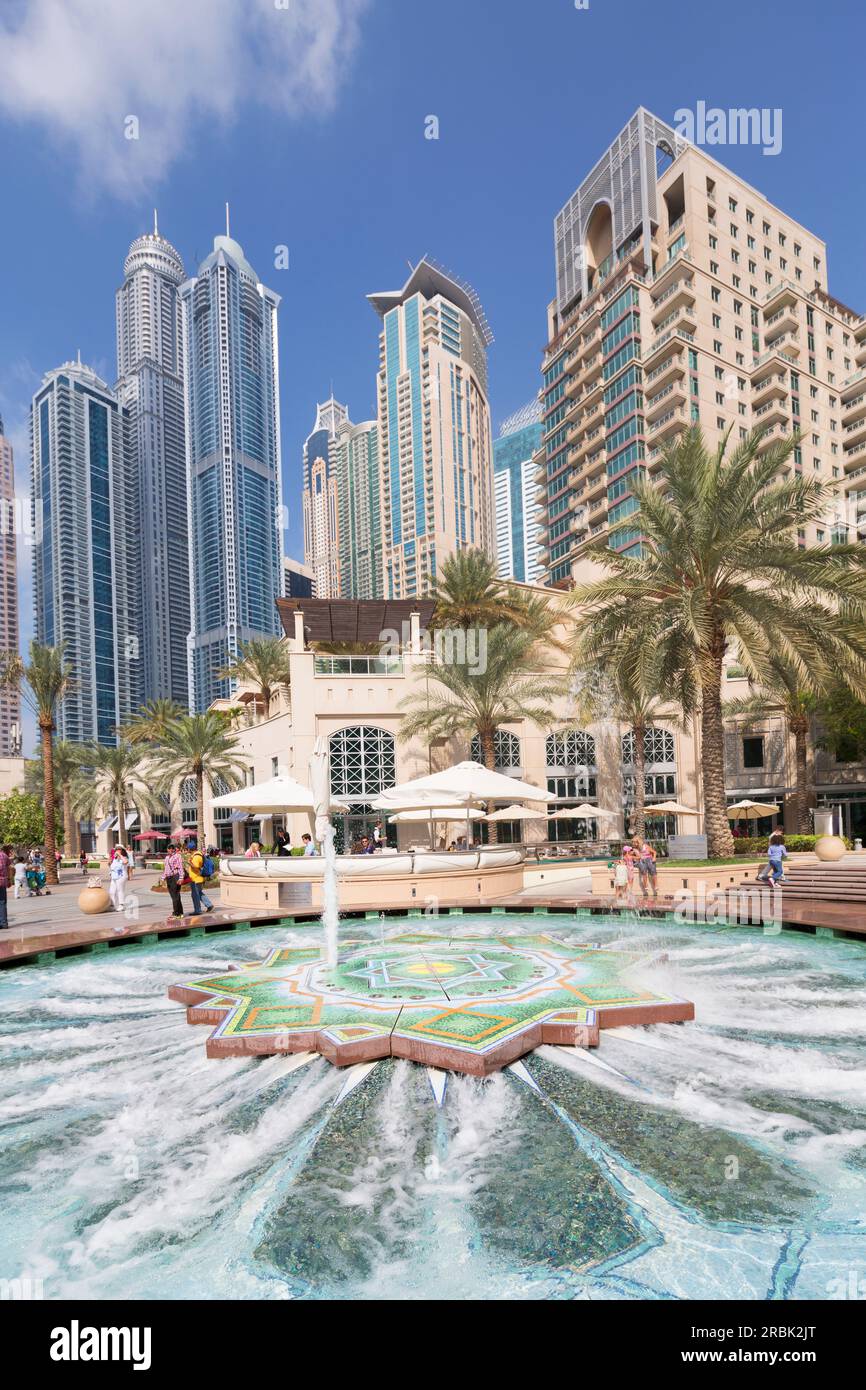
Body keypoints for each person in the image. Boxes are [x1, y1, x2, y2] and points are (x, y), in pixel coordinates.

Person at [188, 841, 216, 916]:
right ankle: (210, 906)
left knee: (195, 894)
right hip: (197, 878)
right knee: (199, 893)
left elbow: (196, 867)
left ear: (190, 849)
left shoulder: (197, 856)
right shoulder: (197, 854)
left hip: (196, 879)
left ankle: (198, 910)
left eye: (188, 848)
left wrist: (189, 863)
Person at [162, 842, 186, 919]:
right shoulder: (166, 858)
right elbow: (166, 869)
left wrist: (181, 877)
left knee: (175, 896)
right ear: (167, 849)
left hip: (175, 877)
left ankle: (176, 913)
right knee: (175, 896)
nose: (171, 850)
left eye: (172, 848)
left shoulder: (177, 856)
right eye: (169, 848)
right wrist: (163, 877)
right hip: (169, 878)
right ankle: (180, 912)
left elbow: (180, 867)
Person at [0, 843, 9, 928]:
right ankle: (4, 923)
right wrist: (9, 880)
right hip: (2, 882)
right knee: (2, 903)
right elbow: (8, 867)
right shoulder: (4, 856)